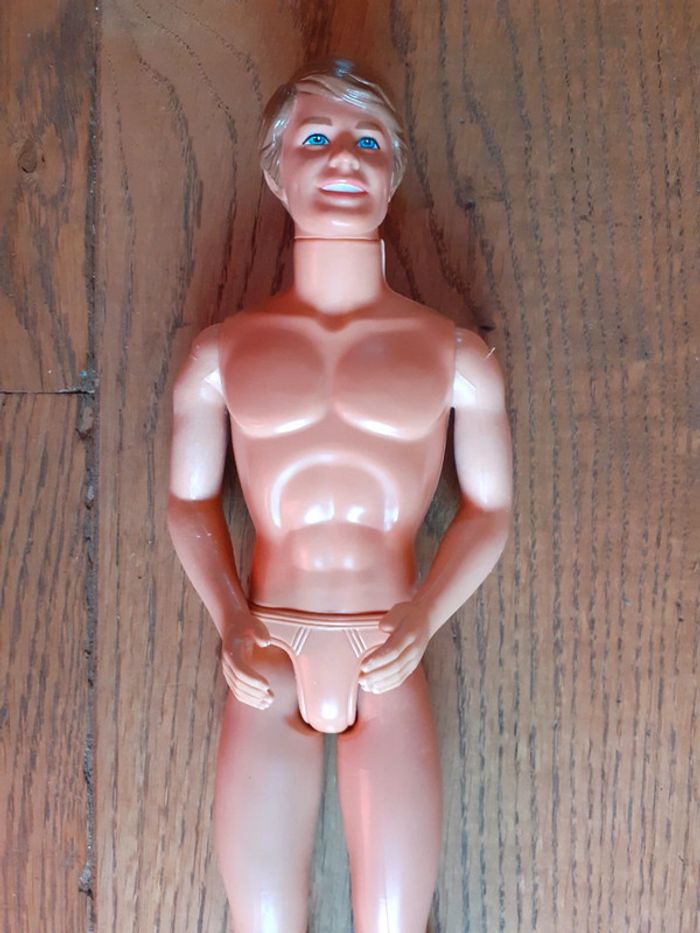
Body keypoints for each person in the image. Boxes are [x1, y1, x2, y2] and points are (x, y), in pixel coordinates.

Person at [167, 59, 512, 933]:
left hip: (388, 645)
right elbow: (187, 502)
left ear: (393, 175)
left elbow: (491, 513)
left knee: (396, 921)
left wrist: (425, 613)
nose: (343, 157)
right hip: (266, 648)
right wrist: (230, 617)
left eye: (368, 142)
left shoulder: (455, 356)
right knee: (261, 919)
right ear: (276, 172)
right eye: (315, 137)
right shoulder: (221, 354)